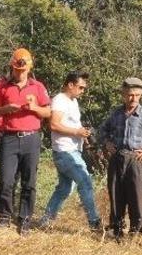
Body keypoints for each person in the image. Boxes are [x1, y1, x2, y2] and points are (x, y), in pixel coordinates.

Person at [0, 48, 51, 233]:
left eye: (23, 70)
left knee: (29, 182)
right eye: (16, 69)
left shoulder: (38, 87)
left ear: (29, 67)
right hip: (10, 138)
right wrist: (6, 109)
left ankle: (25, 219)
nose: (19, 73)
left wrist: (35, 107)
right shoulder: (2, 86)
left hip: (31, 138)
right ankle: (5, 216)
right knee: (6, 180)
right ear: (12, 67)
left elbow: (48, 112)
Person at [97, 77, 142, 239]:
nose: (133, 99)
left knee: (137, 197)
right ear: (123, 94)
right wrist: (107, 143)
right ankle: (116, 229)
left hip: (136, 160)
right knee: (116, 194)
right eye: (130, 95)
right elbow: (101, 131)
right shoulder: (116, 113)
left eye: (137, 95)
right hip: (117, 158)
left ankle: (136, 233)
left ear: (141, 94)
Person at [38, 71, 102, 233]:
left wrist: (82, 134)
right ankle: (94, 223)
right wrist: (76, 132)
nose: (82, 91)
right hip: (65, 152)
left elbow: (69, 125)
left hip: (71, 150)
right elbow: (53, 125)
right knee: (85, 182)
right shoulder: (60, 100)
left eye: (84, 88)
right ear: (70, 84)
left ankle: (46, 221)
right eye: (80, 87)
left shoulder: (72, 101)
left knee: (64, 188)